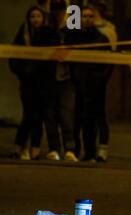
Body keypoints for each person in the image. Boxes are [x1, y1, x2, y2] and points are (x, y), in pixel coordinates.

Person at [9, 6, 59, 161]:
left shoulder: (49, 34)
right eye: (32, 16)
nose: (35, 19)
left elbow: (52, 59)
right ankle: (18, 148)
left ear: (43, 18)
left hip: (44, 84)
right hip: (27, 83)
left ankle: (35, 150)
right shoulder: (23, 34)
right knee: (28, 115)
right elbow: (13, 57)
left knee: (39, 117)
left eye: (38, 16)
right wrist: (23, 73)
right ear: (28, 18)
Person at [70, 6, 112, 162]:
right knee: (80, 118)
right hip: (79, 83)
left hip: (96, 85)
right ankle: (81, 151)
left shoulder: (101, 38)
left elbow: (109, 63)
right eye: (84, 16)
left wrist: (101, 80)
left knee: (97, 117)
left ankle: (97, 151)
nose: (87, 19)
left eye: (90, 16)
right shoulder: (75, 37)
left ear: (95, 18)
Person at [46, 0, 78, 162]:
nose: (57, 13)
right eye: (55, 10)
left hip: (67, 79)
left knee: (67, 115)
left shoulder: (71, 31)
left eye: (60, 10)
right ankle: (53, 148)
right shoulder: (46, 31)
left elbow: (79, 47)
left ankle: (70, 148)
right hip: (49, 79)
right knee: (50, 115)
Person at [91, 0, 118, 162]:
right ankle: (87, 149)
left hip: (99, 76)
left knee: (99, 113)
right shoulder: (81, 28)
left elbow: (111, 55)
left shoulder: (108, 30)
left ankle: (102, 148)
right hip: (83, 77)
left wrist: (104, 76)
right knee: (84, 115)